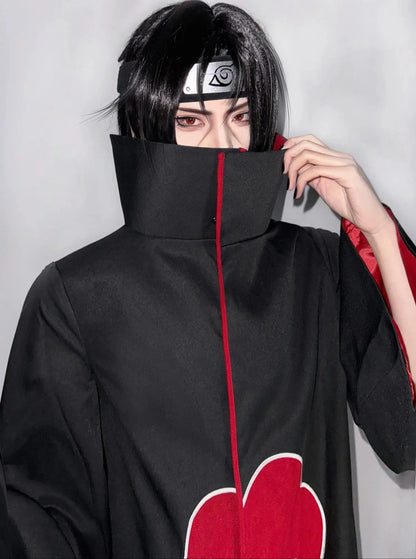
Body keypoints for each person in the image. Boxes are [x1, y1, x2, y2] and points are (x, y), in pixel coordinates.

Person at [1, 1, 415, 557]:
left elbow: (406, 434)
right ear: (143, 125)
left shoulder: (318, 269)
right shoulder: (78, 297)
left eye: (240, 116)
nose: (222, 143)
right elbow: (42, 519)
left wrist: (377, 231)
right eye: (190, 120)